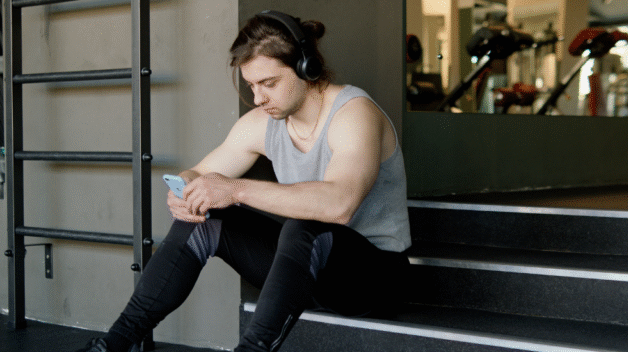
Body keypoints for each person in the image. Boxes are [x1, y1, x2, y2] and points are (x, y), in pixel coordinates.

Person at [76, 10, 411, 352]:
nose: (258, 98)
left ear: (305, 68)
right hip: (306, 271)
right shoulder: (261, 123)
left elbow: (339, 204)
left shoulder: (354, 113)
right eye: (252, 85)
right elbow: (199, 172)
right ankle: (113, 344)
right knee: (207, 222)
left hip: (374, 278)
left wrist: (234, 189)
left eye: (269, 83)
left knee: (303, 229)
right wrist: (187, 189)